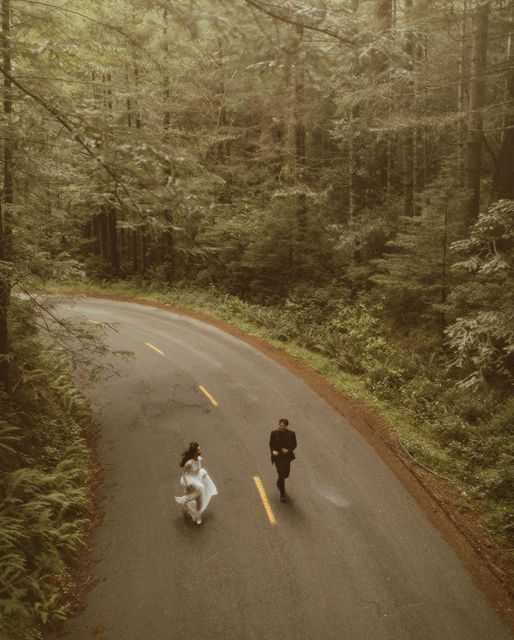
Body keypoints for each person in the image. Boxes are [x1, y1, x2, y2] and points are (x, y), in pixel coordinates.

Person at [175, 442, 217, 525]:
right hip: (190, 480)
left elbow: (198, 470)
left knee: (199, 499)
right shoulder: (189, 463)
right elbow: (183, 471)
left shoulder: (199, 458)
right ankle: (185, 500)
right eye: (199, 449)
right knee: (196, 491)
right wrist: (187, 483)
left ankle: (198, 516)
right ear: (195, 453)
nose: (201, 450)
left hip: (198, 477)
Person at [269, 418, 297, 502]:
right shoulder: (274, 433)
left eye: (281, 425)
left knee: (286, 475)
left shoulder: (291, 434)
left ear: (286, 426)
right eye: (279, 424)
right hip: (277, 457)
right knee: (281, 476)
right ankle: (282, 494)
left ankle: (279, 482)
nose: (279, 426)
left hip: (286, 457)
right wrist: (273, 451)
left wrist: (288, 450)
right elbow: (271, 444)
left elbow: (294, 445)